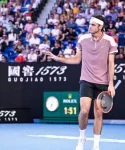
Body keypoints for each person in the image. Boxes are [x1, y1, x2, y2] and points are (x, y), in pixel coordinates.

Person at [47, 15, 118, 150]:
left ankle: (96, 144)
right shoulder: (83, 39)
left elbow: (111, 64)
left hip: (102, 82)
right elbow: (76, 59)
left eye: (92, 25)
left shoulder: (110, 41)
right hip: (86, 79)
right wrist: (58, 59)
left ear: (100, 27)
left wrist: (111, 84)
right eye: (89, 24)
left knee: (98, 113)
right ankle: (82, 137)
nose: (89, 26)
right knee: (84, 111)